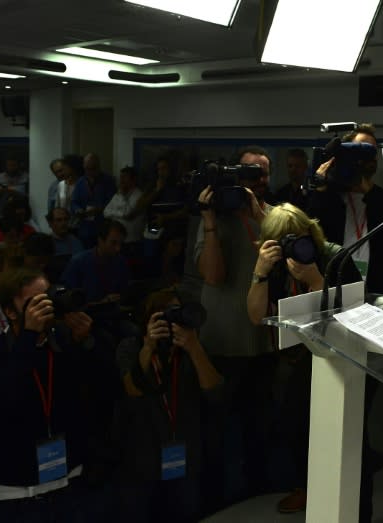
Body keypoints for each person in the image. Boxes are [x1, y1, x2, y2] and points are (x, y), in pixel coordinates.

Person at [246, 203, 361, 514]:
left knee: (342, 435)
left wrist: (315, 281)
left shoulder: (334, 255)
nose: (294, 247)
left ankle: (355, 505)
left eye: (298, 238)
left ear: (311, 231)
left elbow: (354, 314)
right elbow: (256, 315)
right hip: (299, 356)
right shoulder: (276, 264)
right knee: (295, 426)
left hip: (340, 356)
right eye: (284, 241)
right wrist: (259, 273)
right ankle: (306, 486)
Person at [0, 267, 99, 522]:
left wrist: (83, 344)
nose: (45, 308)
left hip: (70, 479)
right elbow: (6, 401)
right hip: (18, 491)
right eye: (35, 302)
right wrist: (28, 336)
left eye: (47, 298)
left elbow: (97, 393)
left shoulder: (62, 341)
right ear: (10, 311)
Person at [193, 144, 273, 511]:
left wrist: (260, 217)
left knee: (259, 425)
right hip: (222, 340)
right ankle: (214, 497)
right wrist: (210, 222)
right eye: (249, 173)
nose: (256, 180)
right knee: (216, 428)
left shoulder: (275, 217)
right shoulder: (213, 221)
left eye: (262, 174)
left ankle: (257, 486)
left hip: (263, 342)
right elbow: (214, 275)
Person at [111, 288, 223, 523]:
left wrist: (194, 348)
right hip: (141, 458)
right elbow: (132, 390)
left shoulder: (192, 347)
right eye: (164, 315)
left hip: (185, 455)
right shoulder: (130, 347)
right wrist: (149, 347)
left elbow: (215, 392)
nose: (171, 320)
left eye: (176, 311)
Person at [306, 124, 383, 294]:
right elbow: (310, 227)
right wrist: (320, 188)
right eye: (360, 150)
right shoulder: (331, 196)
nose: (368, 157)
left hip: (374, 289)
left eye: (372, 151)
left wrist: (368, 192)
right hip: (333, 287)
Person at [71, 153, 116, 248]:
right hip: (84, 227)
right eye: (87, 169)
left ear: (99, 166)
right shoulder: (80, 182)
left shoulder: (108, 181)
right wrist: (77, 210)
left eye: (93, 168)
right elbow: (74, 202)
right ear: (84, 167)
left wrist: (99, 209)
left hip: (102, 225)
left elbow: (112, 202)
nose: (90, 171)